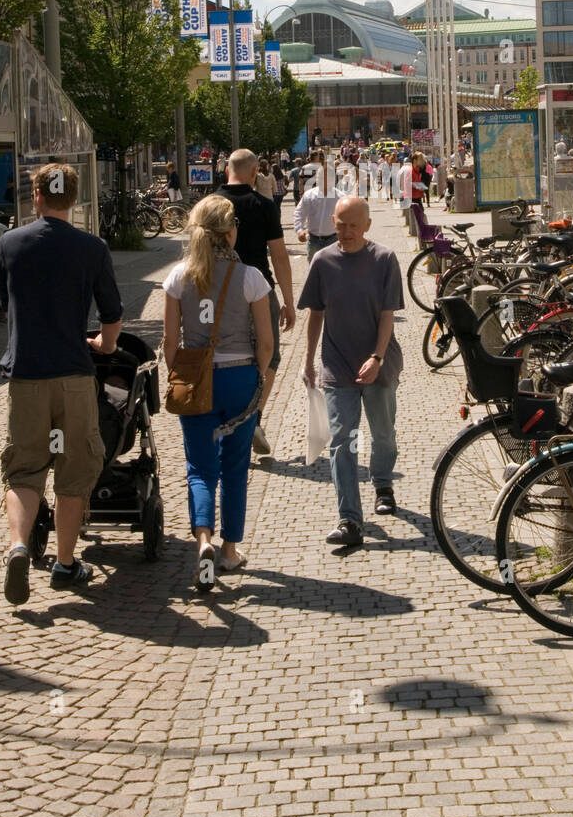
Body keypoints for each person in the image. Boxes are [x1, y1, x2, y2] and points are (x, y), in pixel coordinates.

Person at [0, 163, 123, 604]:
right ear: (74, 198)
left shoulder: (10, 243)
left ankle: (18, 545)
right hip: (73, 373)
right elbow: (111, 314)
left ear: (37, 195)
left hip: (26, 375)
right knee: (75, 470)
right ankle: (67, 565)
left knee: (25, 468)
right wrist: (104, 345)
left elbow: (1, 301)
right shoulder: (92, 248)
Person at [162, 196, 273, 585]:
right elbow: (266, 342)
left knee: (200, 469)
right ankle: (229, 549)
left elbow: (169, 344)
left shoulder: (179, 277)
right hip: (240, 376)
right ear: (230, 232)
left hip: (197, 379)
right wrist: (259, 379)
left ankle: (203, 541)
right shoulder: (252, 278)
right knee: (235, 466)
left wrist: (179, 375)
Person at [299, 196, 404, 546]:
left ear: (368, 226)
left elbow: (388, 315)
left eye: (353, 226)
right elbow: (315, 314)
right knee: (343, 440)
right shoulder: (322, 261)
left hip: (379, 362)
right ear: (332, 221)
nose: (345, 232)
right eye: (340, 224)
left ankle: (383, 482)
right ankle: (350, 520)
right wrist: (308, 360)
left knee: (383, 433)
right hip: (337, 365)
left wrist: (375, 358)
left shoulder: (385, 259)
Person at [216, 149, 295, 454]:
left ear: (226, 171)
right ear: (253, 174)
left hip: (217, 293)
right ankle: (254, 418)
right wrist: (288, 301)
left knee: (224, 355)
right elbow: (278, 255)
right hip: (259, 290)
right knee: (269, 354)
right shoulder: (263, 205)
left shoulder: (210, 205)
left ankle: (223, 417)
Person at [295, 159, 338, 260]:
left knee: (334, 270)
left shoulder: (340, 197)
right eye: (321, 177)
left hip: (334, 240)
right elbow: (299, 213)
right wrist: (299, 230)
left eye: (327, 178)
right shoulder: (309, 195)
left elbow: (347, 218)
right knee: (314, 271)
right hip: (313, 241)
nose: (324, 180)